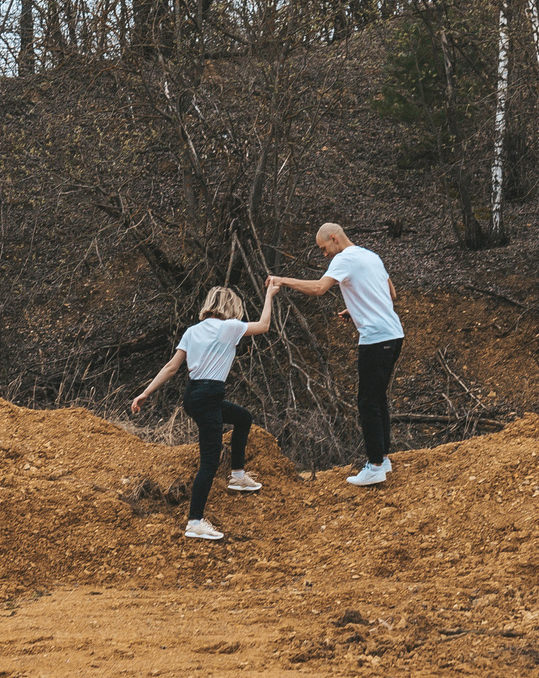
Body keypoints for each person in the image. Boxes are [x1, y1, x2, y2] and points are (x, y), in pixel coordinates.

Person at [130, 283, 276, 541]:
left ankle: (238, 475)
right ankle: (195, 522)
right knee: (209, 461)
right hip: (209, 395)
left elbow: (171, 367)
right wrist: (269, 295)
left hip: (194, 395)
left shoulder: (192, 331)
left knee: (243, 418)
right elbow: (264, 325)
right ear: (231, 307)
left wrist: (146, 392)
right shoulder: (229, 327)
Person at [267, 221, 404, 486]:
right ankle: (383, 459)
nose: (324, 254)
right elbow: (391, 293)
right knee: (377, 398)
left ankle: (375, 466)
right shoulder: (371, 256)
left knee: (367, 403)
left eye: (323, 248)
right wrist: (357, 308)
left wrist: (282, 280)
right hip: (394, 335)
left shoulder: (345, 258)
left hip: (376, 339)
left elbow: (319, 289)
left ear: (334, 238)